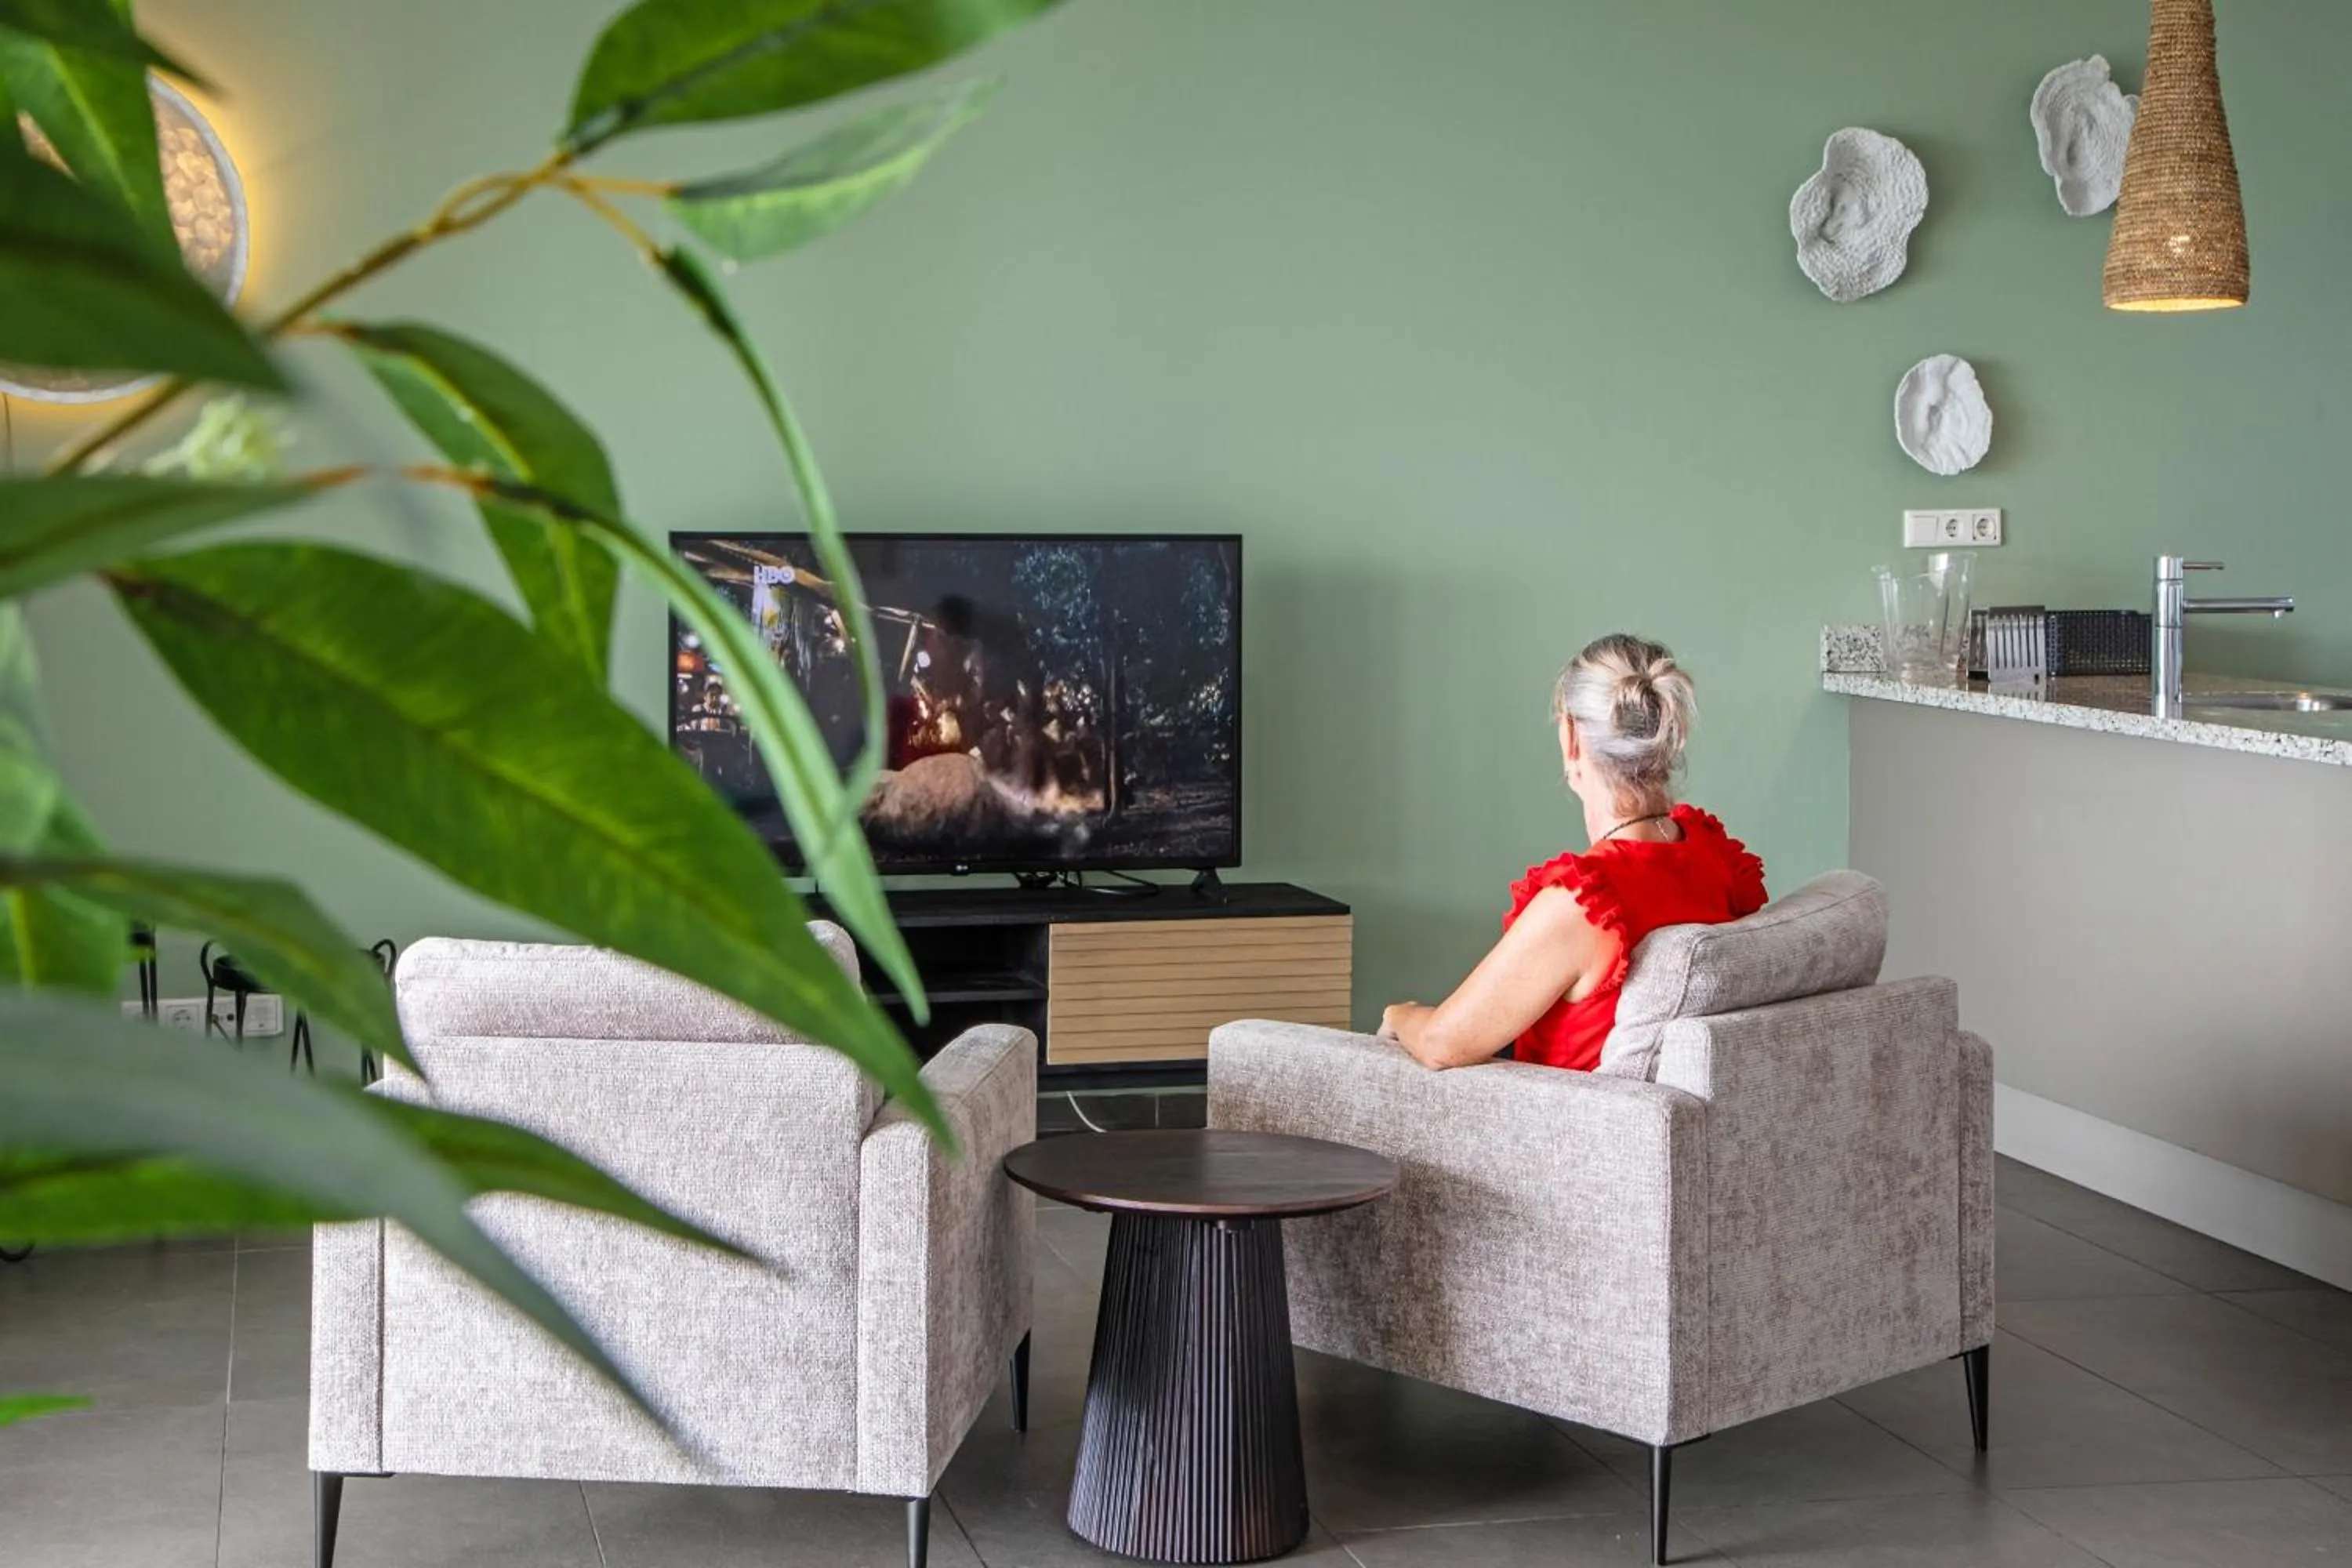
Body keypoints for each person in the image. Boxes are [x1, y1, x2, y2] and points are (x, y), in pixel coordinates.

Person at [1379, 633, 1766, 1072]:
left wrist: (1400, 1014)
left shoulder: (1587, 906)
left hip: (1552, 1129)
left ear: (1572, 738)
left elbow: (1441, 1043)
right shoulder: (1714, 856)